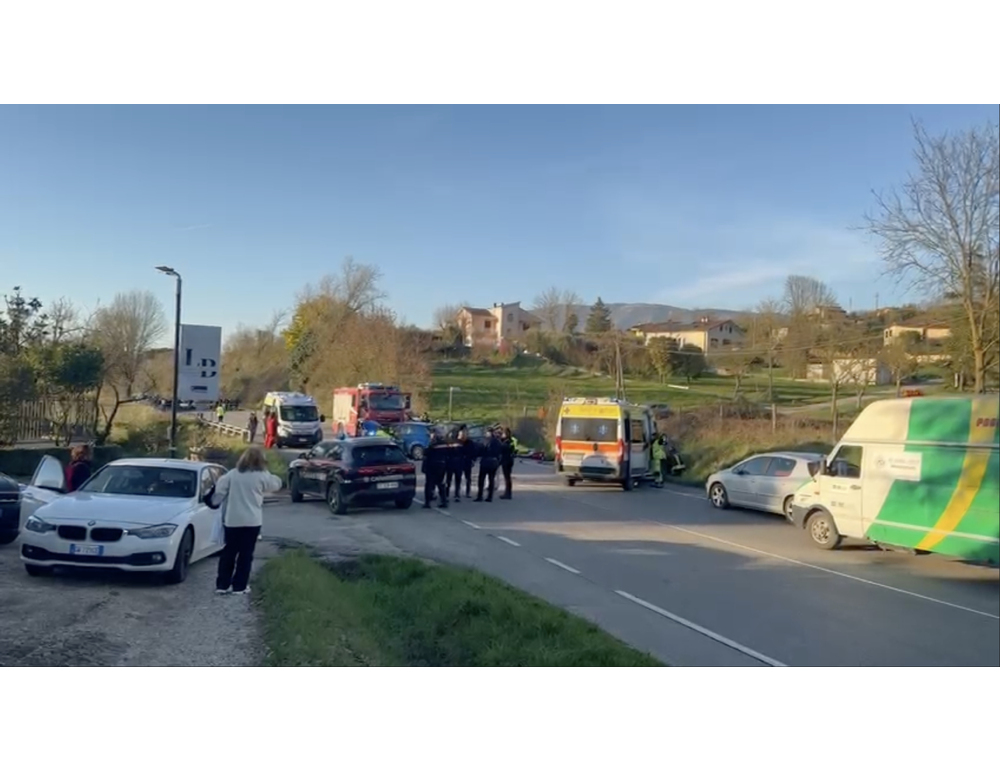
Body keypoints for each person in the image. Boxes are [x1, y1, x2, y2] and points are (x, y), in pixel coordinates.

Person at [209, 447, 283, 595]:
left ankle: (222, 585)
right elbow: (276, 484)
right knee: (246, 555)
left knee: (229, 552)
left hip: (232, 520)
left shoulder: (232, 475)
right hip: (252, 521)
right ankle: (240, 586)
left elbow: (219, 492)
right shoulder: (262, 475)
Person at [421, 432, 449, 509]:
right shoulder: (444, 445)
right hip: (441, 466)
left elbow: (426, 453)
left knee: (429, 485)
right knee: (440, 484)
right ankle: (444, 501)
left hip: (431, 467)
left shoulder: (432, 445)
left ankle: (427, 502)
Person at [475, 427, 502, 502]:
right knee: (488, 479)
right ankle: (485, 496)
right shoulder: (495, 441)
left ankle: (484, 496)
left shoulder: (488, 441)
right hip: (490, 461)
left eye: (486, 432)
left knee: (486, 479)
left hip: (488, 461)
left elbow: (481, 451)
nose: (485, 434)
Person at [456, 426, 476, 500]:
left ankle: (468, 492)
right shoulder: (457, 442)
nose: (462, 436)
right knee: (458, 478)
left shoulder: (470, 442)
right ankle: (457, 493)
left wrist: (473, 460)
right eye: (460, 435)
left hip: (467, 462)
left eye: (463, 434)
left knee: (468, 478)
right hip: (459, 462)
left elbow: (473, 452)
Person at [499, 427, 515, 499]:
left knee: (507, 478)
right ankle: (508, 493)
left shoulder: (506, 442)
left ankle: (507, 493)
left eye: (503, 434)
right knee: (508, 477)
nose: (502, 435)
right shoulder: (510, 441)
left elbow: (503, 449)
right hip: (509, 460)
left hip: (506, 461)